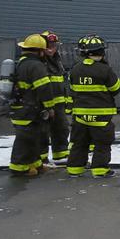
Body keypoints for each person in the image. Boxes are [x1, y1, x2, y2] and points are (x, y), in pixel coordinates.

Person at [67, 36, 120, 178]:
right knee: (102, 143)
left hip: (80, 116)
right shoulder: (105, 70)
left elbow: (72, 89)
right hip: (101, 117)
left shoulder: (75, 69)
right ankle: (100, 170)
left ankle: (75, 169)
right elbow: (116, 88)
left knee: (79, 143)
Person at [8, 34, 60, 178]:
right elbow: (44, 88)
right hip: (29, 110)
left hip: (21, 108)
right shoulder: (36, 66)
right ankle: (19, 168)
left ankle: (35, 164)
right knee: (24, 140)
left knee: (33, 138)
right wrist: (50, 107)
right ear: (40, 51)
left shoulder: (21, 63)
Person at [40, 31, 71, 164]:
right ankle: (41, 159)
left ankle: (61, 156)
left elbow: (62, 81)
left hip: (59, 104)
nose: (51, 48)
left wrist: (66, 100)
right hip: (44, 104)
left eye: (54, 45)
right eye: (48, 45)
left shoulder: (57, 60)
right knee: (43, 132)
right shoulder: (39, 62)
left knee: (62, 129)